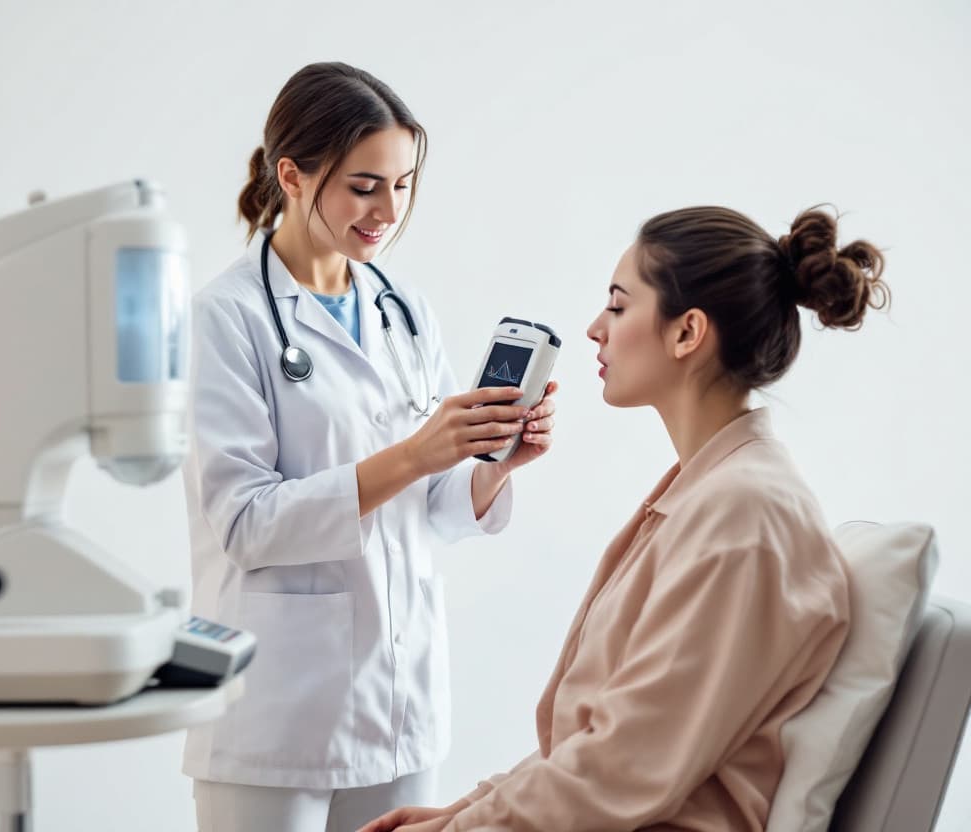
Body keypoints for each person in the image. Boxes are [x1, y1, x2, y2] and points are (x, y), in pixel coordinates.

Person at [361, 205, 891, 832]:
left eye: (617, 305)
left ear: (686, 333)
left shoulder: (746, 515)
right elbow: (602, 739)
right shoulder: (711, 493)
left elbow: (621, 769)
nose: (593, 329)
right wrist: (466, 809)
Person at [180, 61, 559, 831]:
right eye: (364, 185)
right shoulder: (228, 318)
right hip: (276, 713)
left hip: (400, 699)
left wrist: (490, 467)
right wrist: (417, 454)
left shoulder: (402, 309)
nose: (389, 210)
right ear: (292, 174)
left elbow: (435, 510)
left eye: (405, 183)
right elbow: (244, 523)